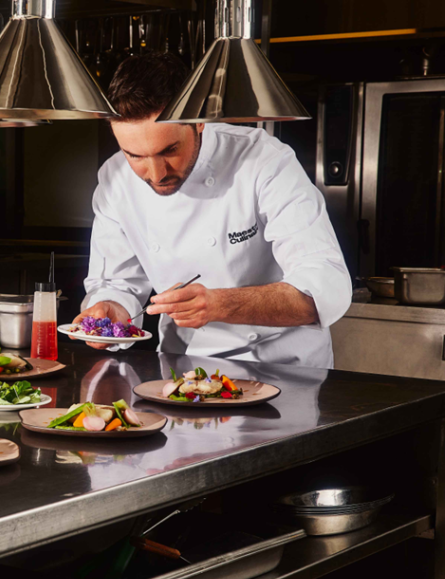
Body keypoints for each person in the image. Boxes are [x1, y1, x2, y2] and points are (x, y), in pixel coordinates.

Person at [75, 53, 352, 368]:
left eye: (170, 150)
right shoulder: (115, 181)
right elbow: (116, 284)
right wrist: (110, 309)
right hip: (185, 368)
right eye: (134, 155)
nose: (156, 173)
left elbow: (325, 289)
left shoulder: (264, 162)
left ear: (200, 123)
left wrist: (223, 304)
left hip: (283, 369)